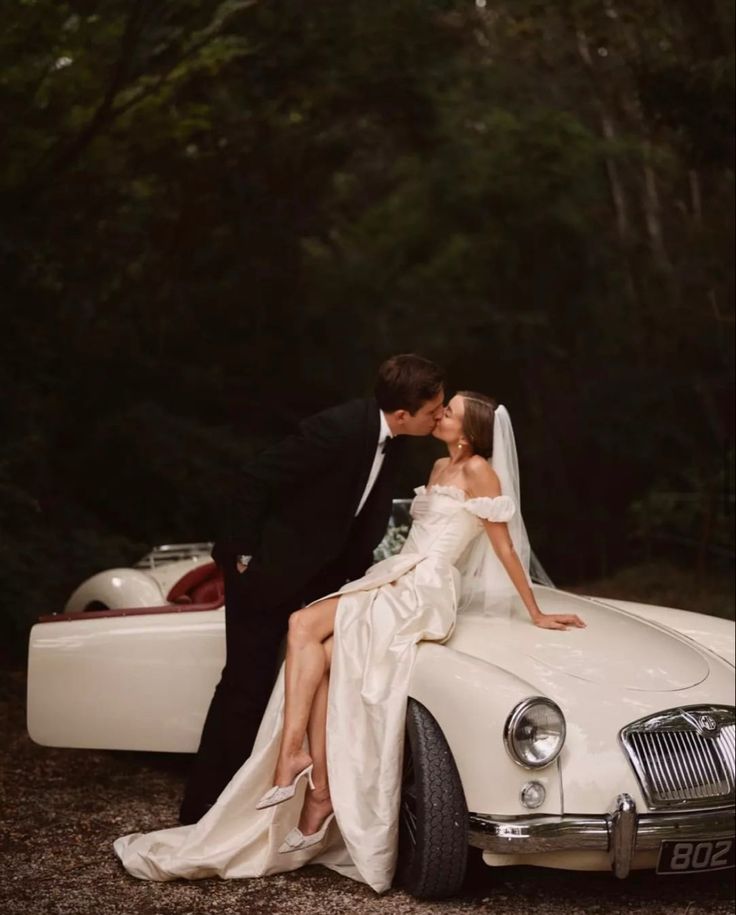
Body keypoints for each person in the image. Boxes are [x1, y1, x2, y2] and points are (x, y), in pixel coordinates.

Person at [115, 392, 585, 893]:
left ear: (468, 431)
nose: (439, 414)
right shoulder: (437, 467)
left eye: (448, 412)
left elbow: (504, 547)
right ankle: (318, 791)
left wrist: (535, 609)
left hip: (425, 588)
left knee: (302, 627)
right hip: (398, 573)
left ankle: (292, 758)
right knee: (322, 659)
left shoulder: (479, 475)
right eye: (440, 407)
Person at [178, 354, 446, 825]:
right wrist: (242, 555)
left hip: (321, 578)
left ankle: (281, 801)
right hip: (265, 571)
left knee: (307, 682)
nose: (439, 416)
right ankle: (203, 810)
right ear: (403, 414)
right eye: (433, 410)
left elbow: (358, 516)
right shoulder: (338, 429)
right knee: (245, 686)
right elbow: (255, 478)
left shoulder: (397, 440)